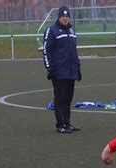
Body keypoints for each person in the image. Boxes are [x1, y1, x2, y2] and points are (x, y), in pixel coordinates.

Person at [42, 5, 81, 134]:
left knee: (68, 99)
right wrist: (50, 68)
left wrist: (78, 68)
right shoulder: (51, 31)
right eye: (63, 16)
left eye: (67, 16)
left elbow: (74, 52)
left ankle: (67, 122)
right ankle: (61, 124)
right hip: (59, 72)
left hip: (71, 72)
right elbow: (46, 51)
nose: (65, 19)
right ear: (58, 17)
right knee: (60, 98)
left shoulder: (71, 31)